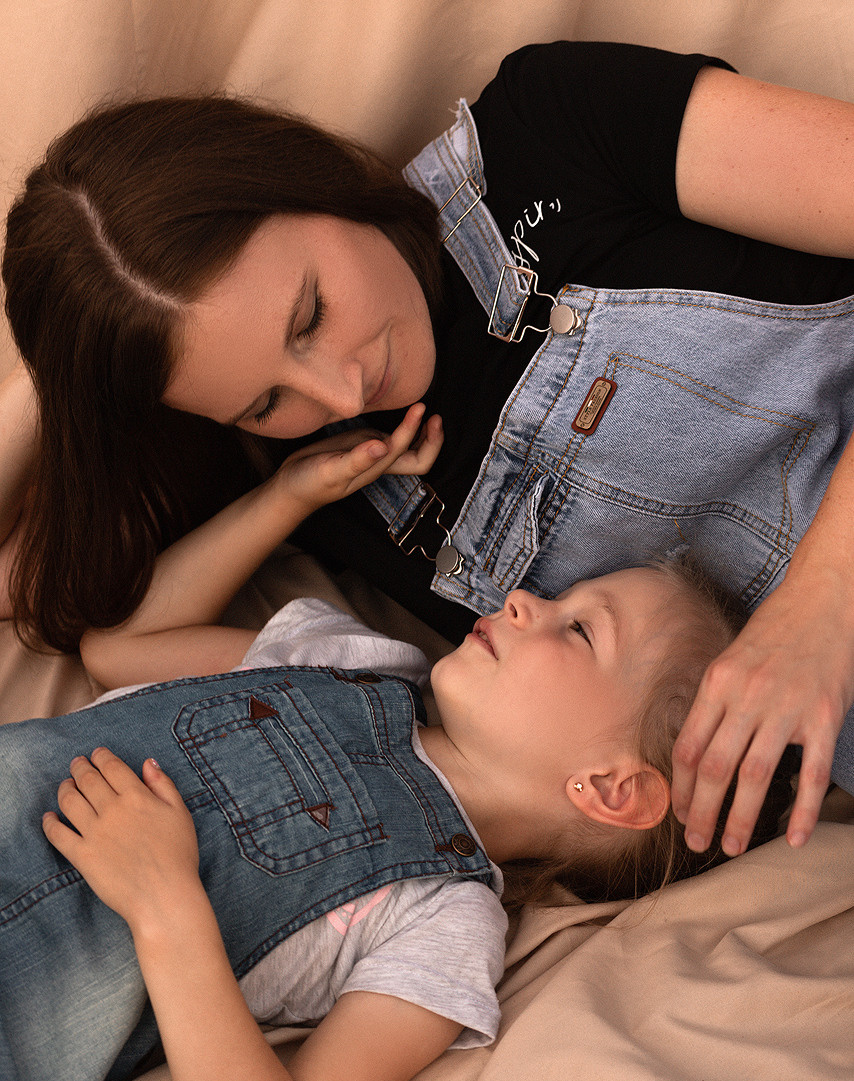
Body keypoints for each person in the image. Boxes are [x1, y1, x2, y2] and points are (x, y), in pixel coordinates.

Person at [2, 42, 854, 882]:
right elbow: (98, 617)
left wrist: (819, 608)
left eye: (311, 314)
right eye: (265, 403)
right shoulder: (329, 477)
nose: (341, 393)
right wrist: (281, 496)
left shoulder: (552, 126)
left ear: (311, 188)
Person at [0, 428, 778, 1081]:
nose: (521, 599)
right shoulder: (353, 660)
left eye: (578, 628)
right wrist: (285, 498)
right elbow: (121, 643)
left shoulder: (447, 926)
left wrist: (167, 906)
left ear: (610, 788)